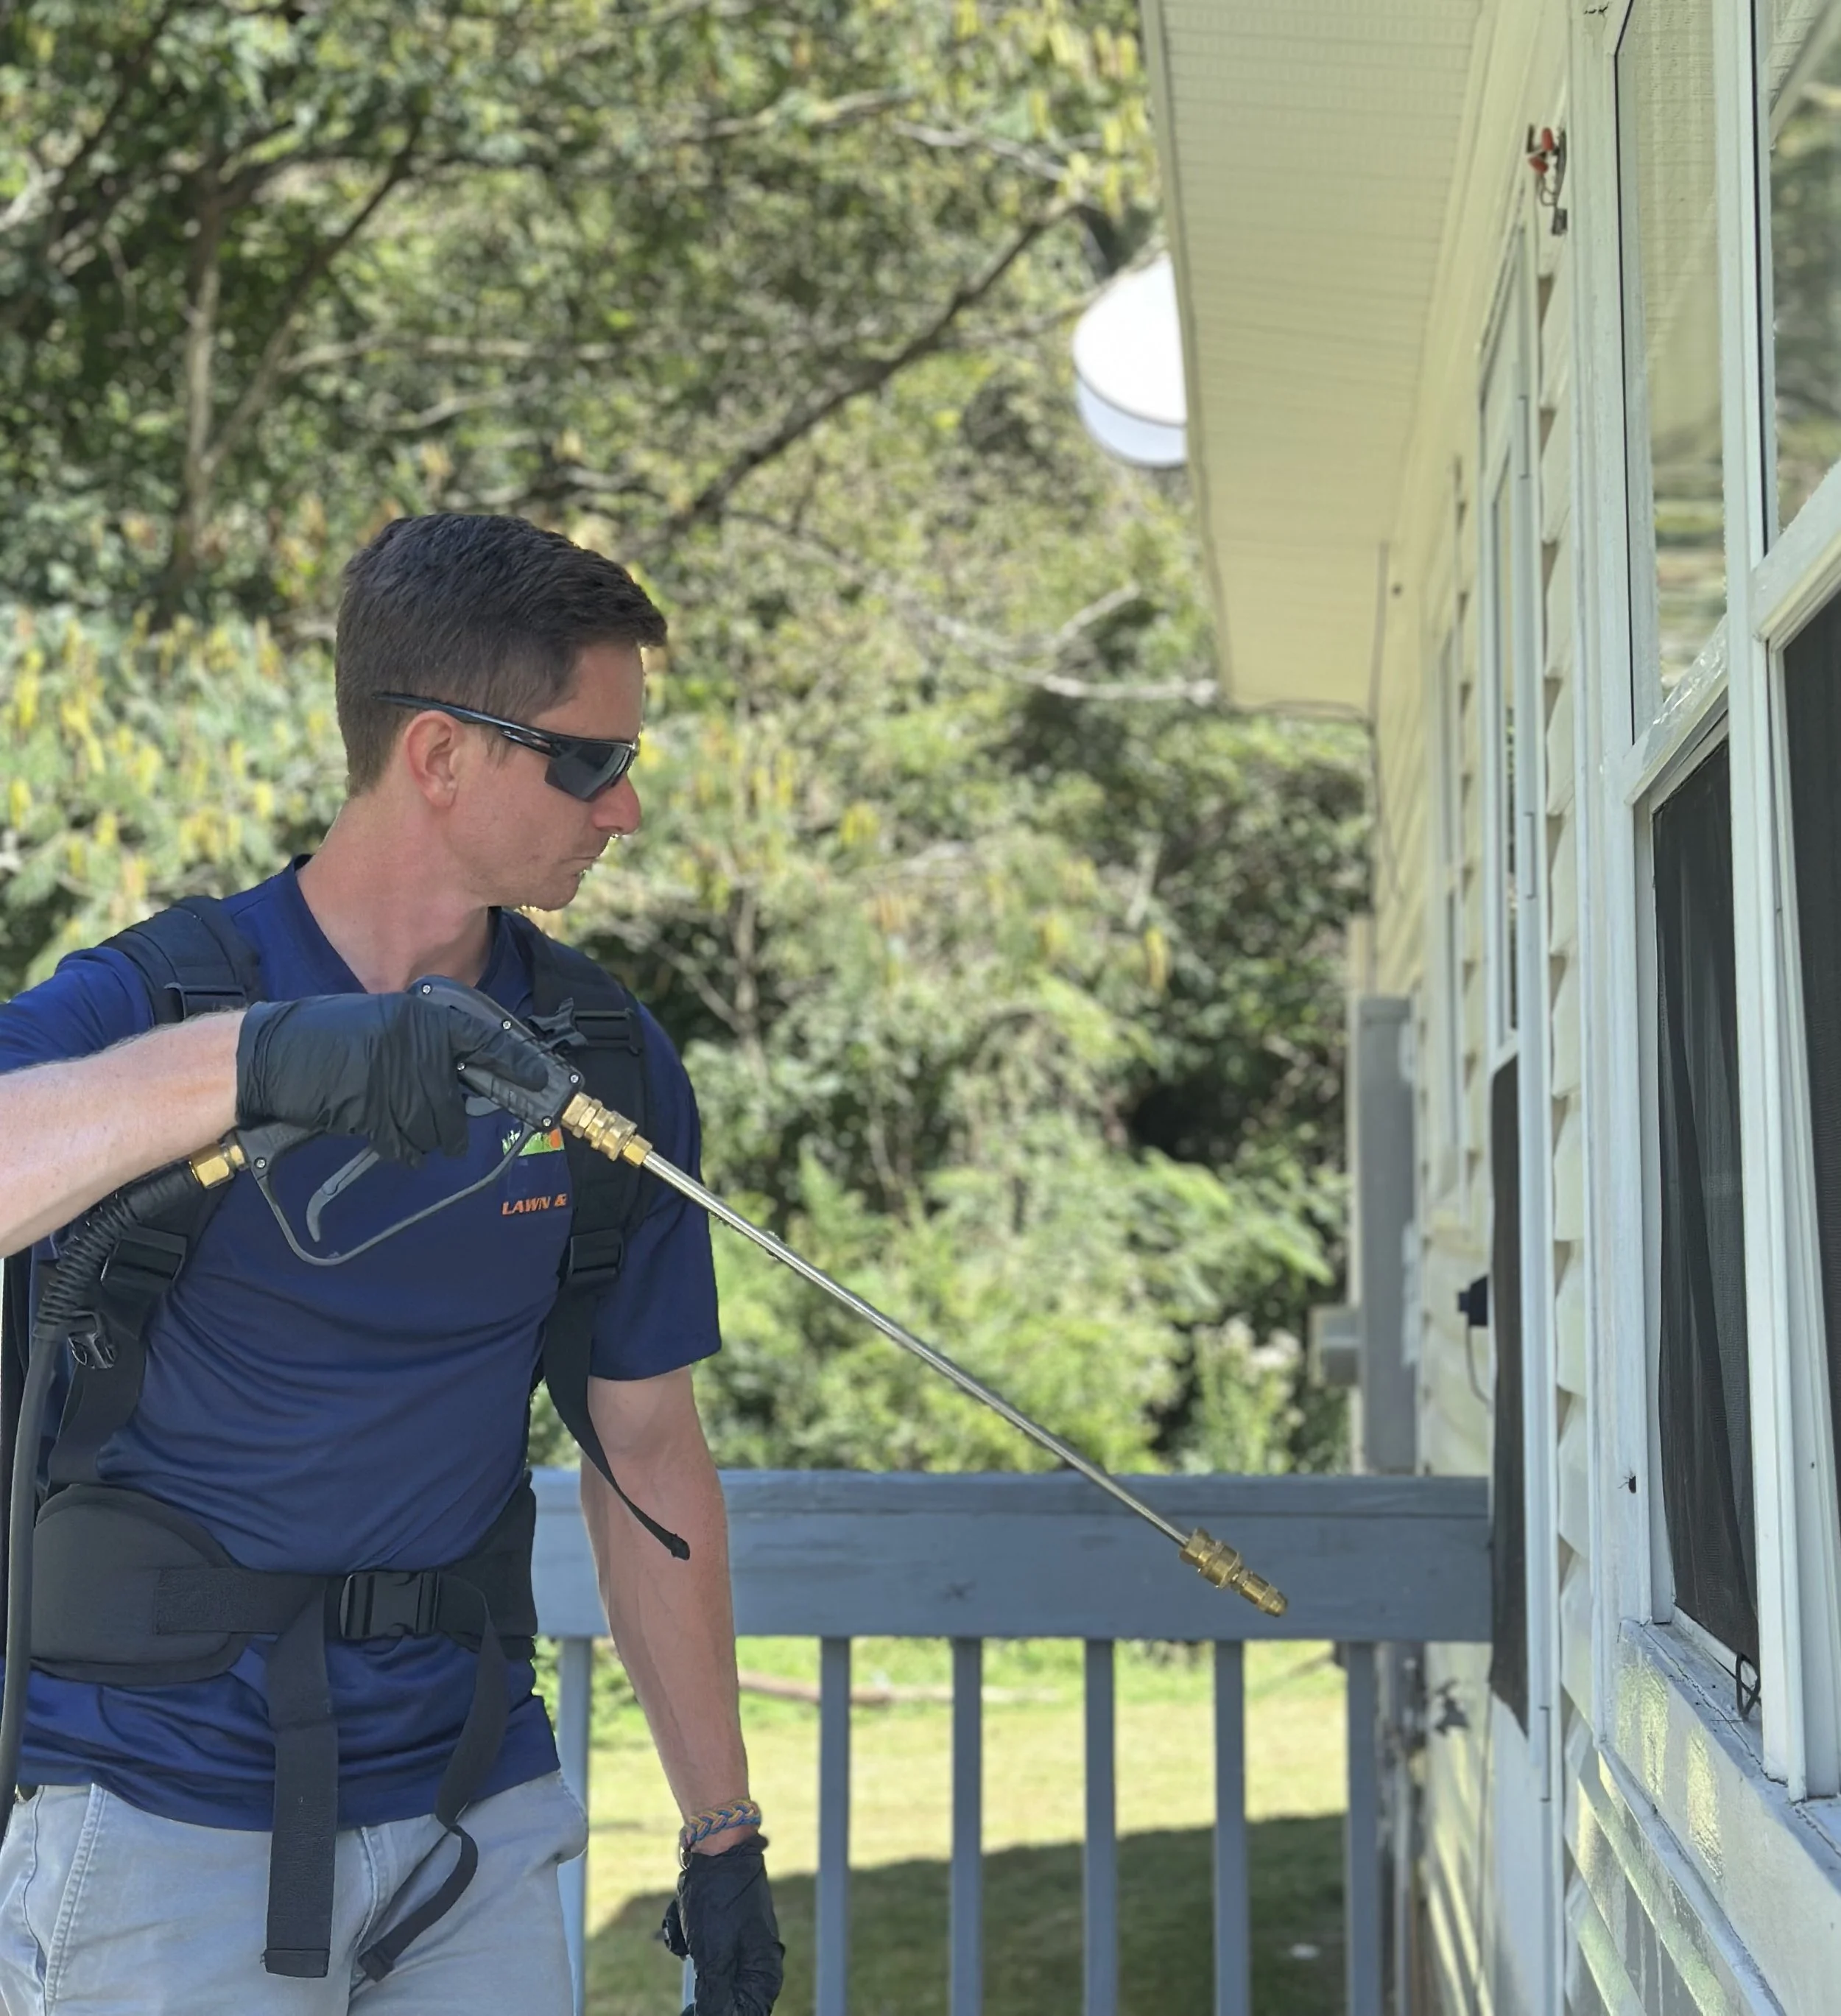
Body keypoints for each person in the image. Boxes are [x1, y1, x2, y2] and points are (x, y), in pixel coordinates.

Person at [0, 514, 783, 2015]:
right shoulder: (172, 992)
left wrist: (720, 1830)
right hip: (156, 1813)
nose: (622, 810)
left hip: (470, 1821)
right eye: (586, 762)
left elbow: (647, 1450)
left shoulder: (598, 1059)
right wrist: (264, 1061)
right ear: (439, 756)